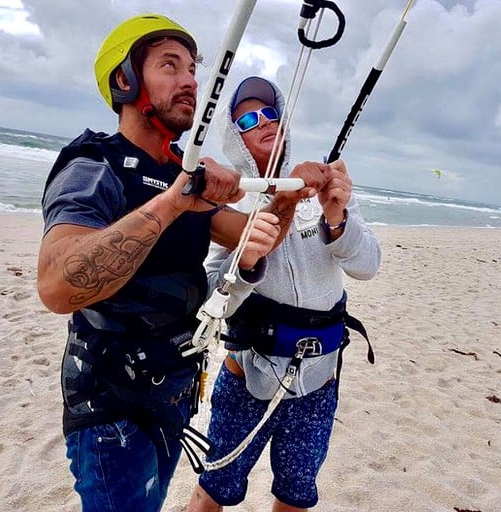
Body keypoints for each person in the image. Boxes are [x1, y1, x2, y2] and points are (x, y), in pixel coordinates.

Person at [37, 16, 330, 512]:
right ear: (125, 80)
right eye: (169, 66)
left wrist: (291, 194)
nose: (191, 80)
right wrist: (174, 201)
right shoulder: (94, 165)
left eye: (193, 68)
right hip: (112, 406)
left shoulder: (182, 172)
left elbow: (253, 237)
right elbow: (57, 287)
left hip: (174, 396)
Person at [187, 76, 382, 511]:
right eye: (249, 118)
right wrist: (251, 257)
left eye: (271, 112)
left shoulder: (319, 189)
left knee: (295, 496)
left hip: (318, 381)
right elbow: (214, 295)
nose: (264, 122)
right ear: (235, 137)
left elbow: (367, 266)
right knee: (212, 489)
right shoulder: (228, 201)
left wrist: (338, 218)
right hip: (247, 378)